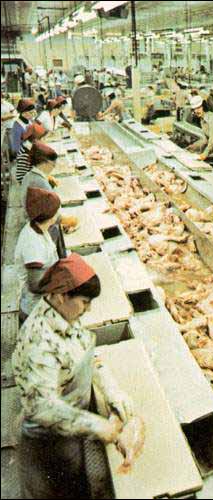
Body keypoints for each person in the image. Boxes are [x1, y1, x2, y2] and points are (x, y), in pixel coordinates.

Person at [12, 252, 137, 498]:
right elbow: (42, 407)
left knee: (72, 484)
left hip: (69, 435)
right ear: (60, 296)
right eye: (84, 302)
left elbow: (88, 356)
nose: (87, 309)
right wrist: (98, 426)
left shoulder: (65, 316)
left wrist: (113, 392)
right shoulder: (39, 341)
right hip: (45, 444)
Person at [21, 141, 78, 257]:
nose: (53, 168)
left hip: (32, 221)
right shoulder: (40, 182)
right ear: (45, 163)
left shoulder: (29, 175)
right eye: (53, 165)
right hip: (42, 227)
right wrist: (67, 220)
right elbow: (48, 214)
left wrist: (47, 179)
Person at [15, 187, 61, 322]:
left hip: (40, 301)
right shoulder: (33, 244)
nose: (59, 213)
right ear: (49, 217)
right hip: (33, 309)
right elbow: (34, 285)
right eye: (57, 210)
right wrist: (61, 283)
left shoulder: (36, 225)